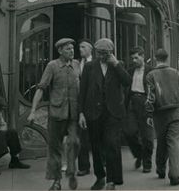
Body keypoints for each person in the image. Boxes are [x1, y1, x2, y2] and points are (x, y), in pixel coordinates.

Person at [79, 38, 131, 190]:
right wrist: (81, 113)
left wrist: (115, 64)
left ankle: (112, 181)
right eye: (99, 53)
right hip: (93, 113)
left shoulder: (117, 65)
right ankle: (100, 177)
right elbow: (82, 91)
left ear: (111, 52)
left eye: (105, 53)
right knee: (95, 146)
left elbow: (127, 82)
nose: (101, 56)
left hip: (113, 113)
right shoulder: (89, 67)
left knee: (112, 144)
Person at [28, 38, 80, 191]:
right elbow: (41, 88)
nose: (71, 51)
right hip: (57, 112)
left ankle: (71, 172)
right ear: (60, 51)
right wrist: (32, 111)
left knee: (74, 143)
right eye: (68, 49)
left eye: (72, 48)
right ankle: (56, 181)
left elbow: (82, 87)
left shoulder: (77, 65)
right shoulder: (52, 66)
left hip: (74, 113)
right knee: (54, 148)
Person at [145, 49, 179, 186]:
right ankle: (174, 175)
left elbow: (150, 97)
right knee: (173, 143)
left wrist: (149, 113)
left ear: (156, 58)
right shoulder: (176, 73)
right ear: (167, 58)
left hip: (159, 114)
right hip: (176, 111)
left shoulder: (151, 75)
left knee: (161, 141)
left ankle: (161, 168)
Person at [123, 46, 153, 173]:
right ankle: (139, 154)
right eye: (132, 58)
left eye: (136, 57)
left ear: (143, 56)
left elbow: (155, 88)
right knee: (129, 132)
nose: (134, 60)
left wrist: (152, 102)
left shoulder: (150, 71)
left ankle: (147, 162)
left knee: (146, 135)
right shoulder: (130, 71)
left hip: (145, 102)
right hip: (132, 102)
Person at [77, 39, 93, 177]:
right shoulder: (77, 63)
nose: (80, 49)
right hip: (81, 103)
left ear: (90, 49)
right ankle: (83, 166)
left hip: (95, 104)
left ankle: (104, 162)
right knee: (82, 137)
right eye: (79, 47)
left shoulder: (96, 63)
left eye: (83, 47)